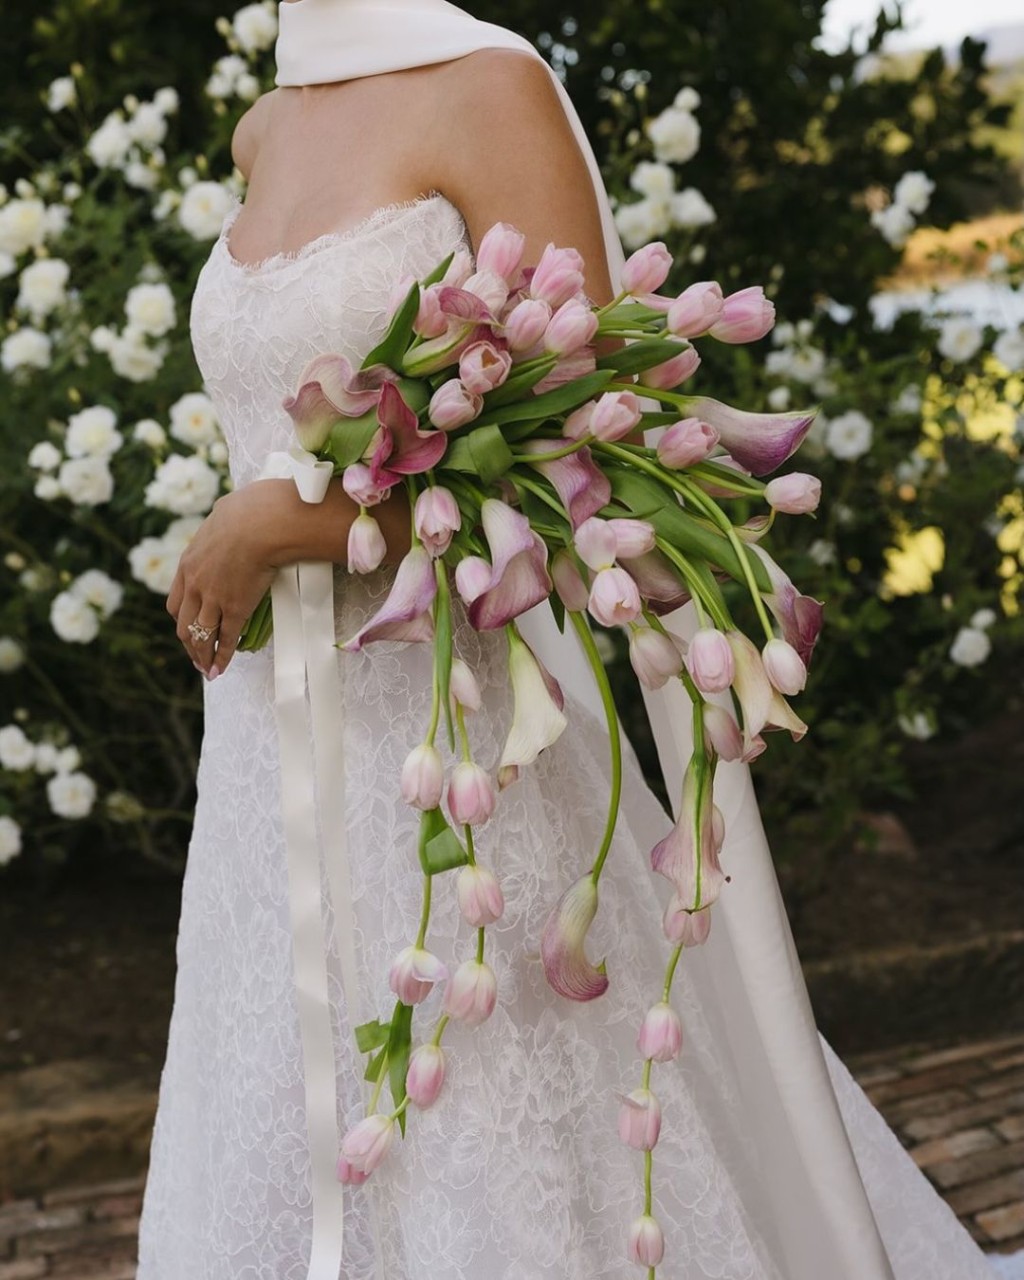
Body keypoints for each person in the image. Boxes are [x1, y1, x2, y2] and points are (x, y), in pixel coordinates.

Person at [136, 2, 1000, 1277]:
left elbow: (591, 456)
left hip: (460, 743)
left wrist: (297, 522)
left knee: (486, 1114)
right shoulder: (267, 124)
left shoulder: (487, 86)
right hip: (265, 750)